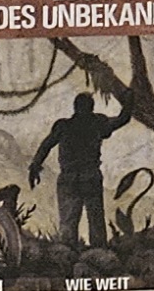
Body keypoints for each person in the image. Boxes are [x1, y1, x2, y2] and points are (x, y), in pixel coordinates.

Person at [29, 90, 132, 249]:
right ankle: (98, 254)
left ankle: (68, 254)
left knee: (68, 223)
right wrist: (129, 99)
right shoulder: (98, 123)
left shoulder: (63, 126)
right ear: (91, 107)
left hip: (69, 178)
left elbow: (46, 145)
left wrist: (35, 167)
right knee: (95, 221)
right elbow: (123, 119)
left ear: (75, 107)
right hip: (90, 177)